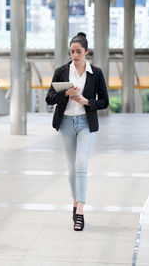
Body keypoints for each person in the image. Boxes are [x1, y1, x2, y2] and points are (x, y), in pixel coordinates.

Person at [45, 32, 109, 231]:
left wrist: (86, 101)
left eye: (78, 51)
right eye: (72, 51)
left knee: (81, 165)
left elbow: (105, 101)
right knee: (72, 167)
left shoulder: (95, 73)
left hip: (85, 123)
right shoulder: (62, 72)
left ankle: (79, 210)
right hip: (65, 123)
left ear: (86, 51)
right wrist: (65, 93)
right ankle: (75, 203)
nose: (75, 55)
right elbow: (49, 98)